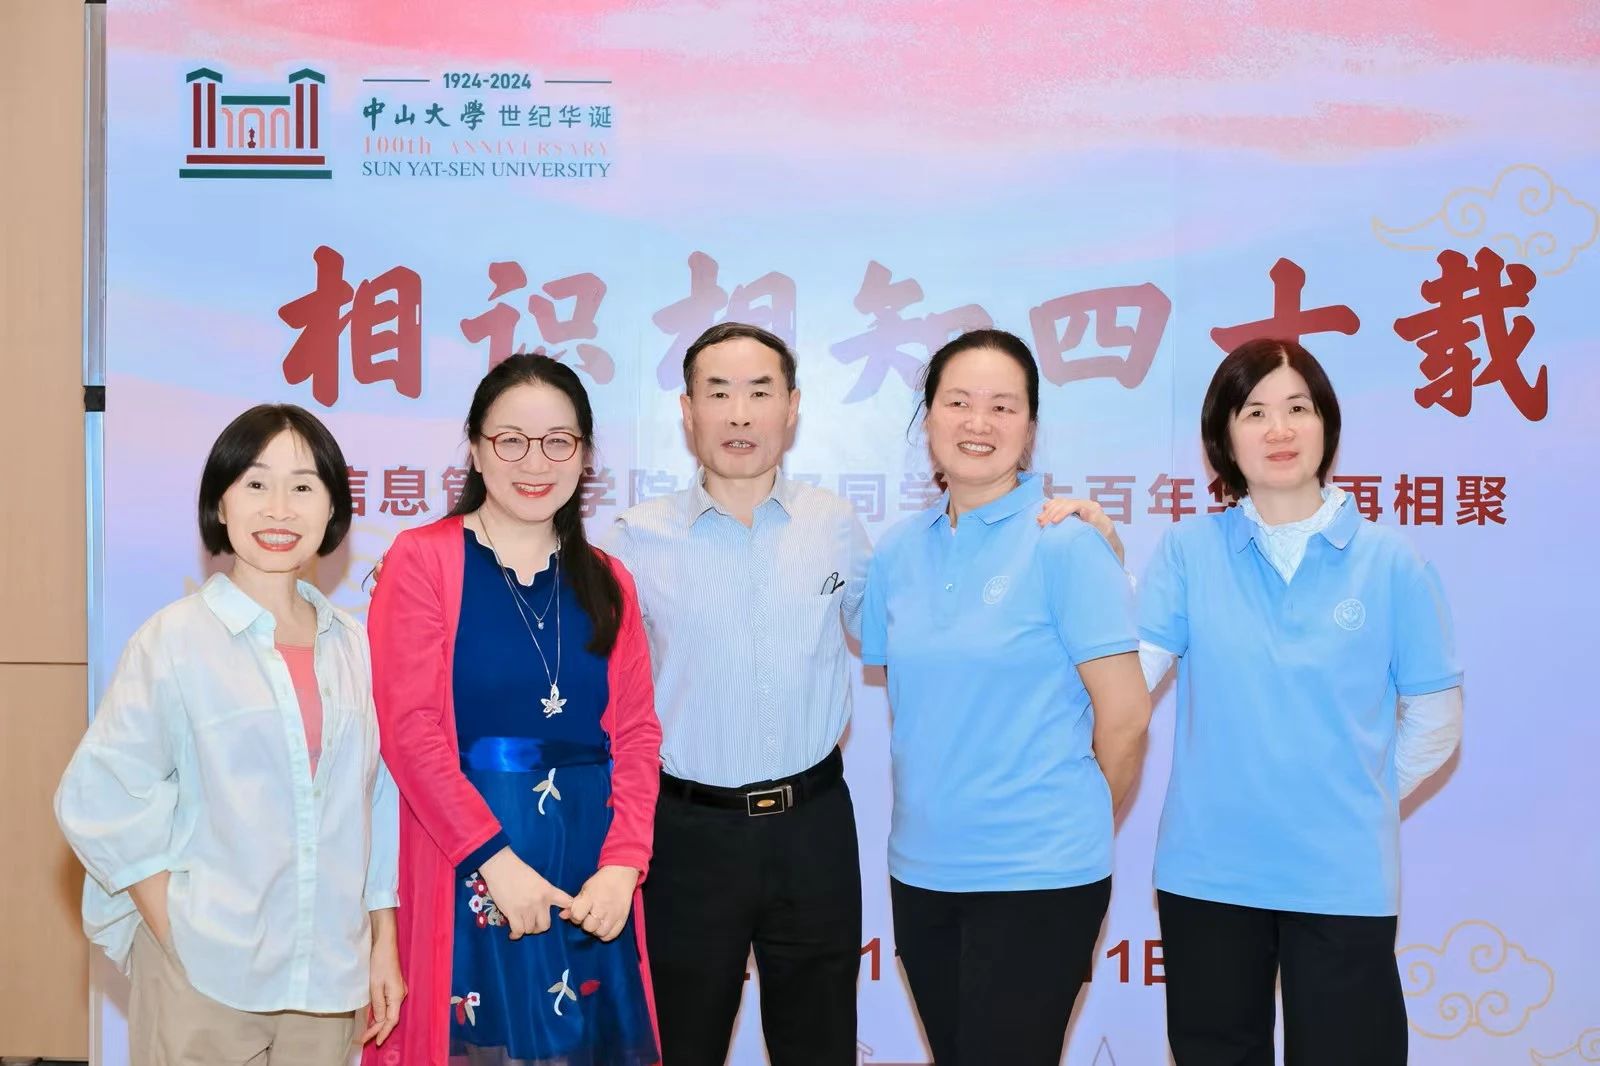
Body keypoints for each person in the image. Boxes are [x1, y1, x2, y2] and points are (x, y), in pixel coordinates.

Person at [605, 322, 1105, 1065]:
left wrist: (1093, 537)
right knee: (679, 1045)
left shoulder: (835, 525)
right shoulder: (632, 540)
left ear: (792, 408)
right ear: (686, 410)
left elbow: (925, 628)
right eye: (718, 393)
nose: (739, 414)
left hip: (811, 829)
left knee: (820, 1046)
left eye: (760, 392)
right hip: (686, 833)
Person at [1138, 338, 1463, 1066]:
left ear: (1327, 424)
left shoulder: (1391, 562)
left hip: (1341, 873)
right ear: (1223, 436)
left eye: (1298, 408)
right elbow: (1131, 685)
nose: (1279, 430)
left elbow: (1436, 722)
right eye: (1254, 412)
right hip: (1210, 871)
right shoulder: (1189, 551)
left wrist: (1356, 797)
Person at [55, 404, 403, 1064]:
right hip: (205, 975)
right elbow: (100, 793)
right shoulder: (175, 639)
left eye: (303, 486)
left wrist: (383, 941)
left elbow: (376, 803)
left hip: (327, 978)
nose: (279, 509)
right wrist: (174, 923)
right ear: (221, 502)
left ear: (333, 507)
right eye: (256, 483)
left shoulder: (353, 646)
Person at [860, 328, 1152, 1066]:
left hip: (1039, 873)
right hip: (921, 870)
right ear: (928, 418)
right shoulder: (897, 551)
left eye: (1002, 406)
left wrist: (1072, 819)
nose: (978, 423)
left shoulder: (1065, 542)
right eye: (958, 402)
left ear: (1030, 427)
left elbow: (1125, 718)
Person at [366, 353, 661, 1065]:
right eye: (511, 440)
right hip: (470, 867)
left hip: (591, 879)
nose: (536, 462)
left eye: (558, 441)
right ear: (475, 447)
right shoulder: (422, 560)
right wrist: (494, 863)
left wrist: (623, 864)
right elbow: (410, 734)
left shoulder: (610, 580)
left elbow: (636, 734)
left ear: (584, 455)